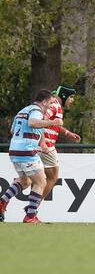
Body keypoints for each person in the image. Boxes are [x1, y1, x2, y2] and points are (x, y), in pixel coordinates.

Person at [0, 90, 62, 223]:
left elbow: (13, 130)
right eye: (50, 103)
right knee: (41, 182)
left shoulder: (23, 110)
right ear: (44, 102)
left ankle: (2, 202)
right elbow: (33, 123)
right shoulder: (36, 111)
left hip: (14, 150)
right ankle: (30, 216)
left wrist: (41, 141)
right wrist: (52, 123)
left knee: (25, 181)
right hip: (26, 151)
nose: (51, 106)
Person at [38, 86, 80, 200]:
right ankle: (32, 209)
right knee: (52, 178)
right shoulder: (55, 105)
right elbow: (40, 121)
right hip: (46, 146)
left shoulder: (55, 105)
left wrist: (67, 133)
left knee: (28, 180)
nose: (72, 100)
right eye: (71, 97)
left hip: (39, 145)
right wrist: (43, 143)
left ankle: (5, 200)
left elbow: (54, 124)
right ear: (64, 95)